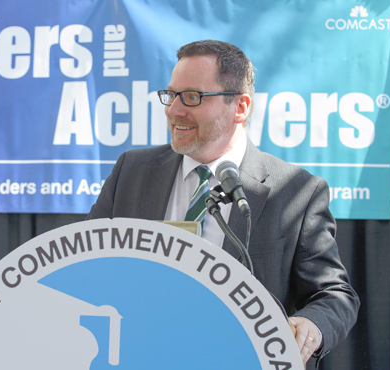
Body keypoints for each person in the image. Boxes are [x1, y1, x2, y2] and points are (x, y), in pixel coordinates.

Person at [87, 39, 360, 366]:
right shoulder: (130, 171)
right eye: (171, 94)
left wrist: (311, 326)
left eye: (192, 97)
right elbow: (90, 263)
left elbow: (334, 296)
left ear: (240, 107)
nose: (174, 109)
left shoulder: (296, 192)